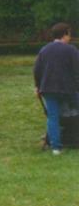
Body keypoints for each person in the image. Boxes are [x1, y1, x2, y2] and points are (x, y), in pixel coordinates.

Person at [34, 22, 79, 155]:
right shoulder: (71, 50)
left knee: (53, 117)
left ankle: (56, 148)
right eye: (69, 34)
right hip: (68, 89)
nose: (70, 37)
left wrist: (37, 86)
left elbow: (37, 70)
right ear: (65, 34)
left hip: (48, 89)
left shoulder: (44, 50)